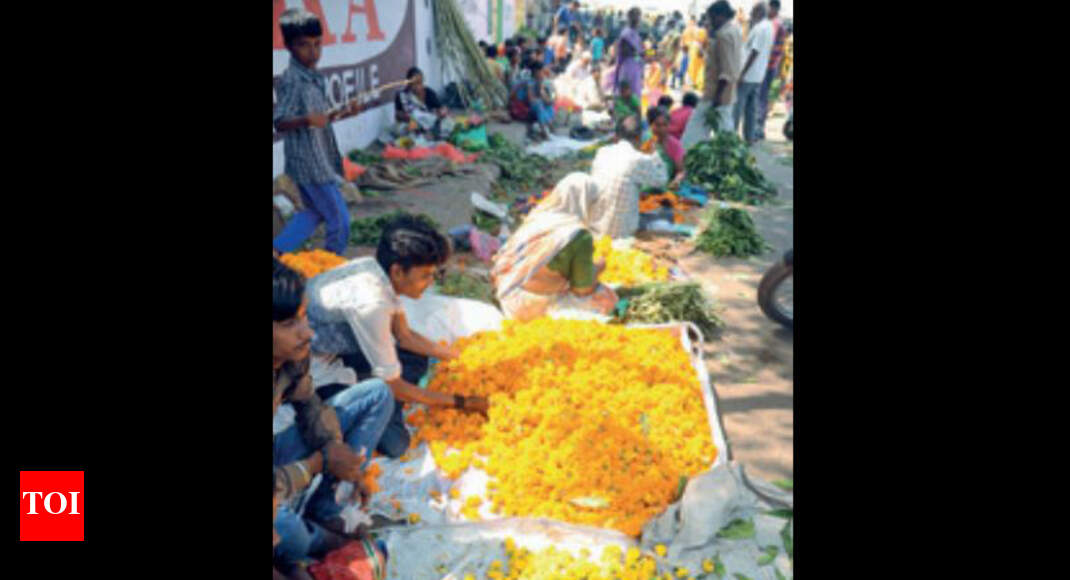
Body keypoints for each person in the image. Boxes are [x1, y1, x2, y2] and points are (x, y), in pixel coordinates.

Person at [305, 217, 490, 461]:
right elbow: (394, 386)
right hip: (313, 370)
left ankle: (380, 390)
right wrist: (464, 403)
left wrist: (465, 357)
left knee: (415, 357)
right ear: (397, 271)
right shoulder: (372, 304)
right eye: (425, 275)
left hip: (344, 347)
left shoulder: (375, 271)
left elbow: (405, 336)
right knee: (396, 444)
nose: (430, 283)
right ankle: (345, 405)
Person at [273, 258, 393, 573]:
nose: (308, 333)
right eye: (289, 324)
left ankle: (326, 509)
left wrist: (336, 451)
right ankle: (316, 543)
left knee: (376, 394)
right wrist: (319, 463)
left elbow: (310, 405)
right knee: (288, 532)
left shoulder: (291, 356)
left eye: (303, 317)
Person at [273, 8, 364, 257]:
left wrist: (346, 112)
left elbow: (322, 118)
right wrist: (304, 119)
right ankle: (329, 266)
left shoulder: (314, 77)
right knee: (340, 221)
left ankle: (276, 253)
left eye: (317, 44)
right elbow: (279, 121)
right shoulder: (292, 79)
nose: (313, 52)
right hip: (309, 163)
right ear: (290, 47)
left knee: (312, 214)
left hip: (321, 155)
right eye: (304, 45)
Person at [491, 175, 619, 322]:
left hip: (508, 296)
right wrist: (598, 268)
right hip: (532, 308)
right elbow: (582, 290)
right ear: (586, 202)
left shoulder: (539, 216)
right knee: (605, 297)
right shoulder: (578, 235)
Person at [585, 116, 668, 239]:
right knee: (663, 218)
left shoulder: (602, 152)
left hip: (594, 226)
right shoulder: (638, 159)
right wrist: (654, 154)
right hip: (619, 232)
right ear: (638, 137)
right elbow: (662, 180)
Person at [734, 3, 773, 145]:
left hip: (749, 74)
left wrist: (742, 73)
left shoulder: (760, 28)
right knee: (751, 107)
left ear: (758, 12)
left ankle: (731, 137)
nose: (751, 16)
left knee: (738, 106)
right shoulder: (768, 26)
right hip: (758, 74)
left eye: (752, 13)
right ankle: (749, 137)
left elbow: (754, 51)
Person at [756, 0, 788, 140]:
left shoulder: (775, 25)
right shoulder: (773, 24)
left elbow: (773, 49)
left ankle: (758, 128)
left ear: (774, 8)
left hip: (766, 66)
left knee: (761, 97)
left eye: (768, 7)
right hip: (767, 66)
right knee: (761, 97)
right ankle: (758, 127)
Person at [394, 67, 451, 140]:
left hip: (430, 124)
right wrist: (406, 117)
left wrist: (442, 112)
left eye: (420, 83)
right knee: (401, 129)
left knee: (448, 123)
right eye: (414, 84)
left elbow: (441, 108)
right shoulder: (401, 95)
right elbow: (397, 115)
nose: (418, 87)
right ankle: (425, 136)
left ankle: (430, 135)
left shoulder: (429, 93)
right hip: (411, 125)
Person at [642, 106, 686, 189]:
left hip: (665, 188)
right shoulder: (643, 140)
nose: (662, 129)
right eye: (657, 125)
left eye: (665, 125)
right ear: (650, 124)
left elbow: (681, 171)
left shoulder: (674, 145)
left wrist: (676, 181)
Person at [612, 7, 643, 102]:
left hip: (635, 67)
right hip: (627, 67)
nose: (637, 20)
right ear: (630, 18)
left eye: (638, 17)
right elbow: (626, 51)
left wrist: (653, 52)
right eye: (635, 17)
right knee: (626, 92)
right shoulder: (627, 33)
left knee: (634, 93)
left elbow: (641, 51)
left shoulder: (636, 34)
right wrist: (639, 53)